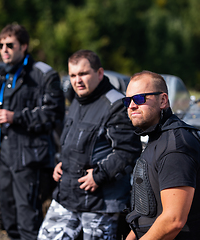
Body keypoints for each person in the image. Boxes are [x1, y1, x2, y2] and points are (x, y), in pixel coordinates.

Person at [0, 23, 65, 240]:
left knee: (28, 222)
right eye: (1, 45)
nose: (4, 49)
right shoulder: (1, 74)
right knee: (8, 219)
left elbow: (54, 114)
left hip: (30, 159)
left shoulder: (43, 74)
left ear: (23, 46)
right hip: (4, 158)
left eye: (10, 45)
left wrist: (16, 116)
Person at [38, 50, 142, 240]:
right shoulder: (78, 99)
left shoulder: (116, 104)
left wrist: (99, 175)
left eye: (83, 74)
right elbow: (74, 142)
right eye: (72, 75)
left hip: (101, 202)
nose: (77, 80)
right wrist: (62, 163)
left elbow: (128, 151)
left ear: (100, 73)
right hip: (67, 195)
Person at [123, 71, 200, 240]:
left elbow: (173, 220)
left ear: (163, 100)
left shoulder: (175, 146)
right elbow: (146, 214)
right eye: (127, 100)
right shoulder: (158, 137)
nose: (132, 105)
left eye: (140, 98)